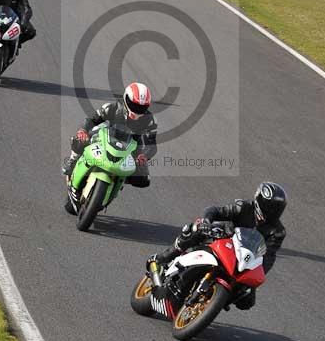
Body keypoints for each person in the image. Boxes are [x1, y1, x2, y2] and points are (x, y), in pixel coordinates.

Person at [149, 182, 287, 309]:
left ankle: (210, 303)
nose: (273, 212)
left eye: (277, 209)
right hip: (223, 239)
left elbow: (268, 256)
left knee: (247, 300)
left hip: (243, 259)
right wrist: (206, 222)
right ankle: (165, 257)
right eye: (271, 208)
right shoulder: (243, 207)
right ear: (260, 202)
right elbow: (215, 210)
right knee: (196, 229)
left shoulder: (278, 231)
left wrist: (257, 275)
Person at [63, 82, 157, 188]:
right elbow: (92, 120)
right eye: (134, 105)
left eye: (141, 107)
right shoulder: (112, 107)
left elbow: (152, 144)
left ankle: (119, 180)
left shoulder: (150, 120)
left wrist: (144, 155)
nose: (137, 109)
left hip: (132, 147)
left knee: (144, 180)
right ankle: (73, 160)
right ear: (126, 99)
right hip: (107, 136)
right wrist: (83, 130)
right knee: (80, 138)